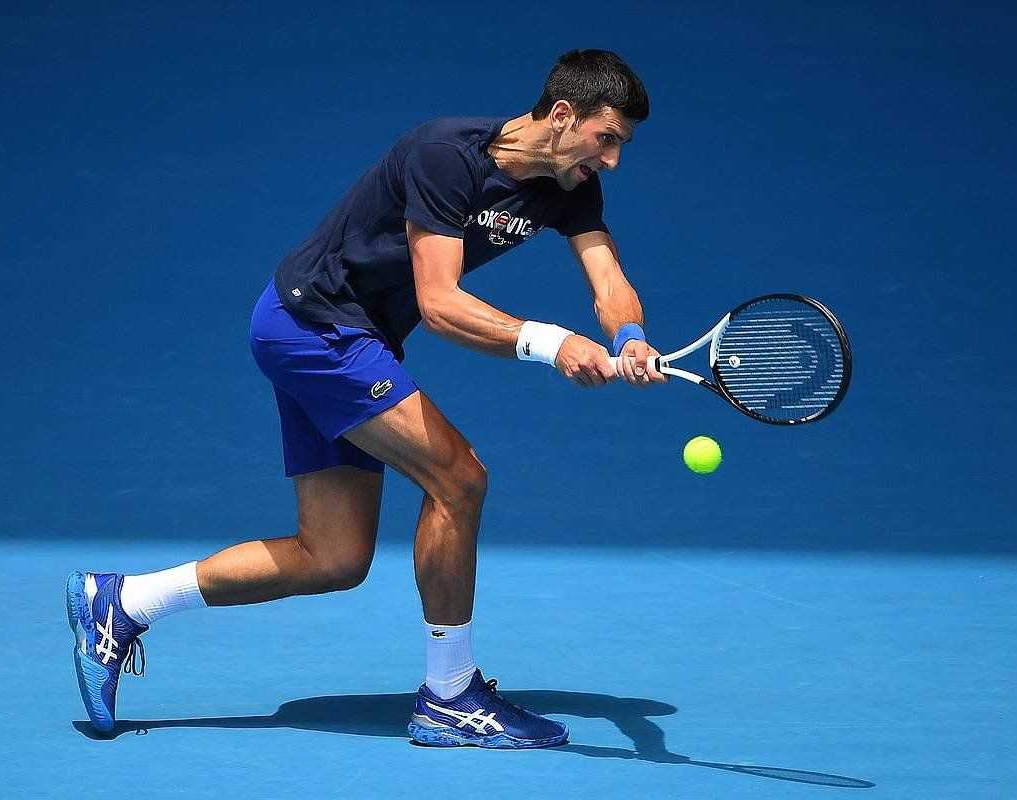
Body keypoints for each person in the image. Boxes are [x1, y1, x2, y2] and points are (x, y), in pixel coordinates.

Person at [66, 48, 666, 749]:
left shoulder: (572, 182)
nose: (614, 159)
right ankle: (449, 694)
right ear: (563, 116)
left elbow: (607, 275)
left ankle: (122, 602)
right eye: (608, 139)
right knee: (458, 477)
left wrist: (628, 335)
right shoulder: (446, 155)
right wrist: (549, 342)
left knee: (335, 557)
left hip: (340, 336)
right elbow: (439, 304)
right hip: (315, 327)